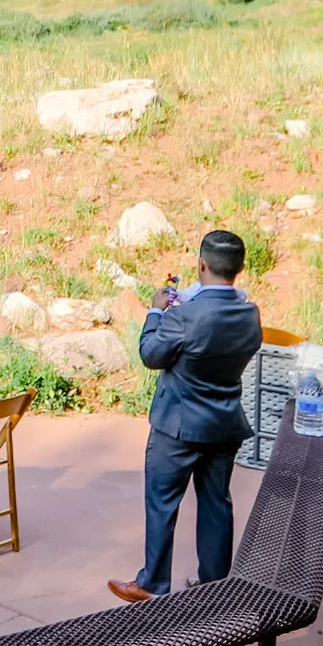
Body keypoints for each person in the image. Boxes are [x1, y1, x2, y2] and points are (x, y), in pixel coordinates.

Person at [110, 230, 264, 603]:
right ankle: (214, 588)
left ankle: (152, 583)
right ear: (240, 269)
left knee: (163, 503)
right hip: (224, 425)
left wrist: (155, 311)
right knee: (215, 505)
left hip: (177, 427)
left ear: (201, 265)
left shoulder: (182, 315)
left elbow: (151, 354)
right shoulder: (249, 314)